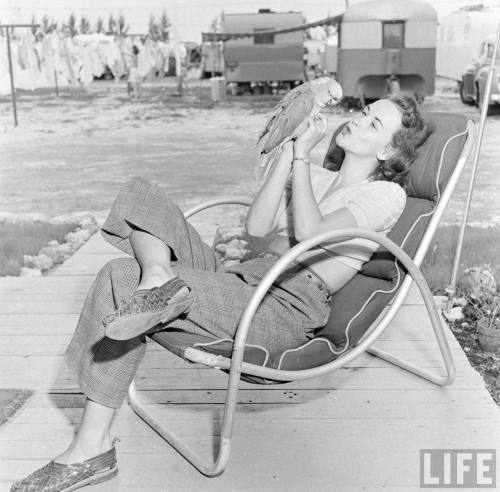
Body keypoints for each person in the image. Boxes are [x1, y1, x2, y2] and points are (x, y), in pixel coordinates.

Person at [11, 92, 431, 491]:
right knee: (139, 194)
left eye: (373, 123)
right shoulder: (318, 175)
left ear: (387, 153)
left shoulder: (385, 194)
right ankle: (158, 277)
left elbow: (310, 233)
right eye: (364, 111)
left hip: (282, 305)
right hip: (244, 279)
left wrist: (302, 156)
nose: (357, 119)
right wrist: (288, 153)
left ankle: (91, 450)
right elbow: (257, 227)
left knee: (119, 277)